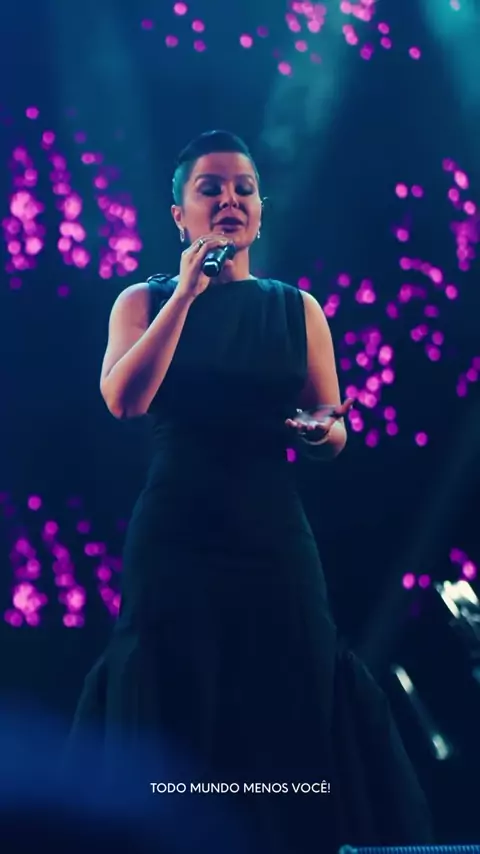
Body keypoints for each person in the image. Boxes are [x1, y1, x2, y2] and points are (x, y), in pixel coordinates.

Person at [66, 130, 432, 853]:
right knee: (174, 695)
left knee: (290, 688)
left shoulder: (298, 310)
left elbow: (333, 422)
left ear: (261, 211)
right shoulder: (141, 301)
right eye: (210, 188)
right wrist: (186, 293)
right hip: (176, 532)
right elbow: (125, 400)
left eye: (244, 188)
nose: (229, 199)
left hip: (271, 532)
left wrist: (318, 433)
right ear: (180, 214)